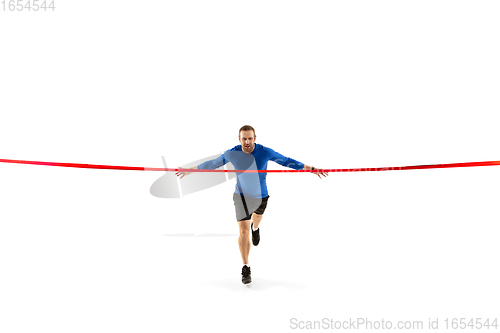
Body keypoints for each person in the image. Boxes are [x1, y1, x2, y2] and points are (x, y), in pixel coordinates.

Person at [176, 125, 328, 284]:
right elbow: (212, 164)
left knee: (256, 219)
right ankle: (246, 266)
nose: (247, 142)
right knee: (243, 231)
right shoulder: (232, 153)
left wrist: (311, 169)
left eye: (250, 138)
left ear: (255, 138)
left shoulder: (265, 152)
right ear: (239, 139)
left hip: (261, 196)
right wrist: (190, 170)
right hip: (241, 196)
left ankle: (256, 228)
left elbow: (286, 161)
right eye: (244, 139)